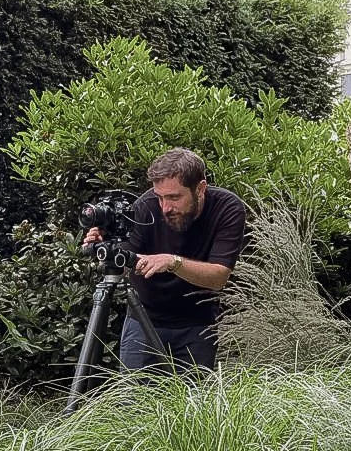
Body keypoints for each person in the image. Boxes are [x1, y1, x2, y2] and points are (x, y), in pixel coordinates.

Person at [82, 148, 246, 371]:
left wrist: (172, 261)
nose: (165, 208)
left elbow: (218, 278)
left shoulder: (227, 208)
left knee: (193, 403)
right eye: (160, 197)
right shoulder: (144, 206)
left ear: (200, 189)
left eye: (174, 197)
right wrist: (106, 249)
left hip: (198, 326)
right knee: (133, 402)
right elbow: (123, 266)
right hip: (143, 319)